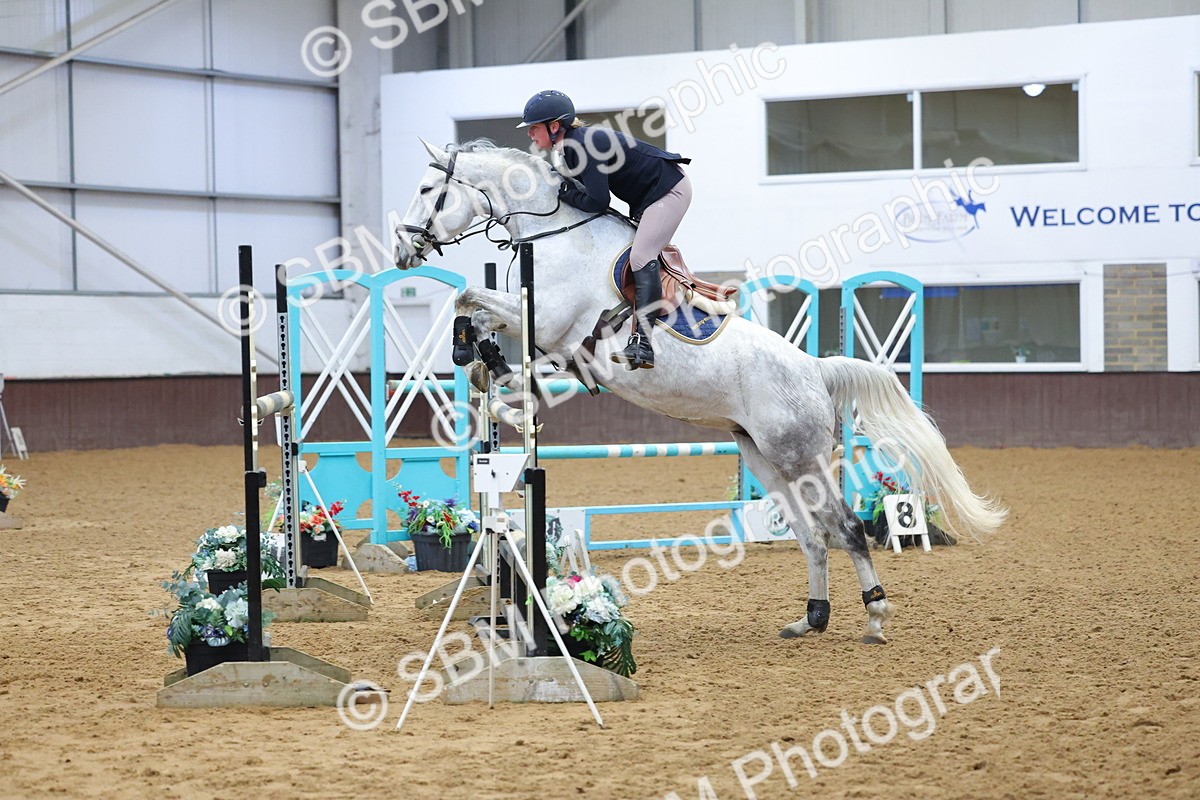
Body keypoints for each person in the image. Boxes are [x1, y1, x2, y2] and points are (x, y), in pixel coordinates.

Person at [518, 89, 692, 370]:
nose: (530, 134)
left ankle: (643, 344)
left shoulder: (581, 146)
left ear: (554, 127)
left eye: (534, 127)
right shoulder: (572, 147)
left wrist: (566, 195)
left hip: (669, 191)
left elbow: (598, 202)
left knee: (641, 257)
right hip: (652, 196)